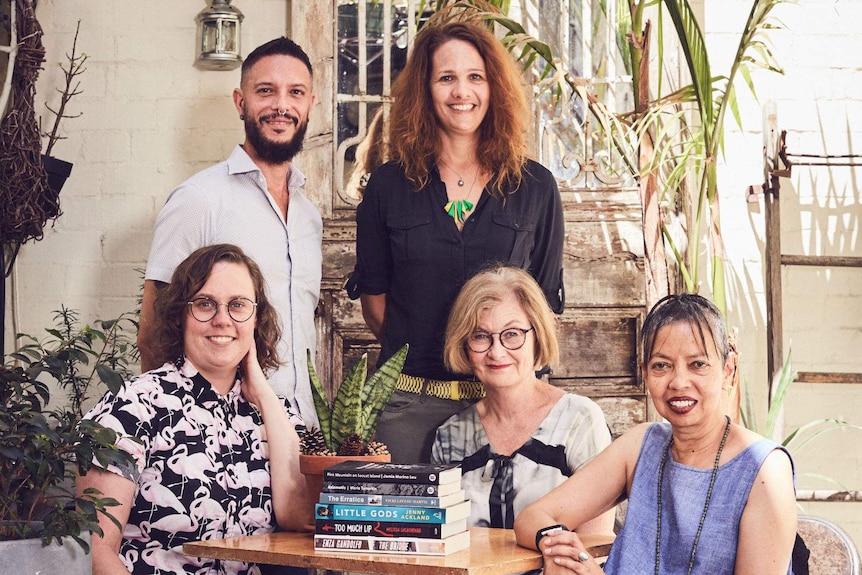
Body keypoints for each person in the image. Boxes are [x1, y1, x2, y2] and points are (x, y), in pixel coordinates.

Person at [346, 19, 565, 463]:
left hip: (504, 405)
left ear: (494, 87)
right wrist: (423, 350)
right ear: (425, 91)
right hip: (407, 406)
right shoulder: (387, 187)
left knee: (501, 532)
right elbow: (375, 302)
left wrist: (498, 369)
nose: (461, 92)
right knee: (402, 529)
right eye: (446, 78)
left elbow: (540, 304)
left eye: (474, 77)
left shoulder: (536, 188)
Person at [513, 294, 798, 575]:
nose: (679, 382)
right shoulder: (642, 446)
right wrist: (562, 551)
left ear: (728, 371)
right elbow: (531, 519)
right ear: (645, 373)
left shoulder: (765, 470)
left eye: (698, 364)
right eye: (662, 365)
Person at [77, 244, 310, 575]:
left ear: (256, 318)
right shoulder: (133, 404)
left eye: (238, 306)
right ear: (180, 315)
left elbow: (300, 518)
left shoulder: (279, 414)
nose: (222, 320)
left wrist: (265, 396)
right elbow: (95, 553)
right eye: (205, 304)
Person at [137, 36, 322, 426]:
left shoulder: (309, 216)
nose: (281, 106)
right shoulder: (199, 199)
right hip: (218, 432)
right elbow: (154, 335)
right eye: (266, 91)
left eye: (295, 93)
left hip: (300, 427)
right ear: (241, 102)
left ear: (310, 104)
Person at [431, 266, 615, 536]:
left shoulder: (580, 420)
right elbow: (445, 544)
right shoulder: (450, 436)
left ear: (537, 336)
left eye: (512, 334)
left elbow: (594, 545)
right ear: (464, 345)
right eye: (481, 336)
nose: (496, 351)